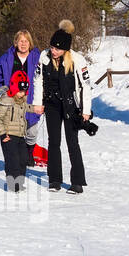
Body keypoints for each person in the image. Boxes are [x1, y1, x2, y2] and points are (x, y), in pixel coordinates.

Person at [31, 20, 95, 194]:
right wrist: (38, 103)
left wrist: (86, 111)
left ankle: (77, 182)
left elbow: (86, 86)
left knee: (72, 142)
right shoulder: (44, 57)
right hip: (52, 105)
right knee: (54, 142)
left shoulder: (77, 60)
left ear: (65, 49)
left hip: (70, 105)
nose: (53, 51)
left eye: (57, 49)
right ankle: (54, 180)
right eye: (52, 47)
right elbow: (38, 80)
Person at [0, 30, 42, 191]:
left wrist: (41, 101)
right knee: (12, 145)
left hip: (30, 101)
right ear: (16, 42)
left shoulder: (38, 58)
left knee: (31, 133)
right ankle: (14, 179)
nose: (23, 43)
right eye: (20, 40)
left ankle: (26, 155)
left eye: (26, 40)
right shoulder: (7, 58)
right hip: (12, 104)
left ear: (30, 43)